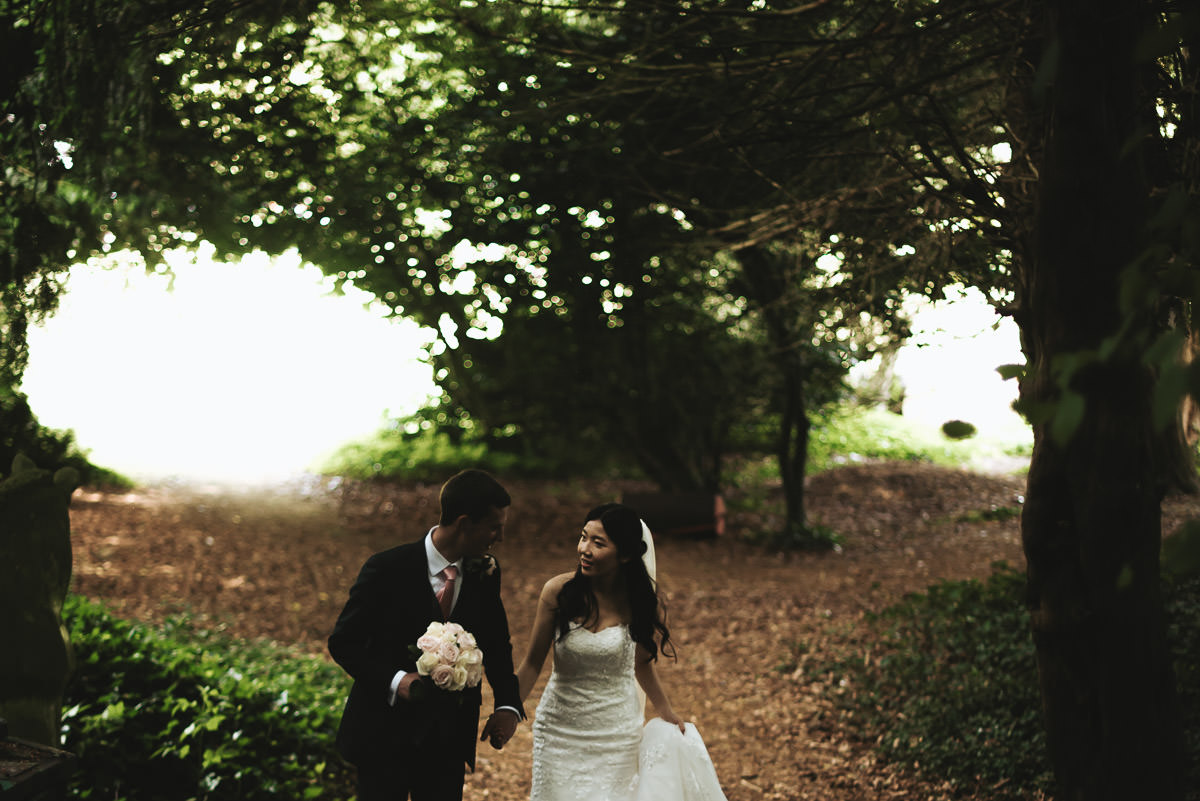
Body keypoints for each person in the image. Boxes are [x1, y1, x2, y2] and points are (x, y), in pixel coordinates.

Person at [328, 469, 525, 801]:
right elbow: (344, 642)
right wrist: (396, 680)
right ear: (464, 523)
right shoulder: (386, 568)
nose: (500, 537)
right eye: (494, 527)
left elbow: (495, 642)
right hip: (383, 734)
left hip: (448, 738)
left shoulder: (486, 571)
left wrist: (508, 704)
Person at [516, 502, 728, 801]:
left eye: (598, 543)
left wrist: (666, 712)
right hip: (559, 731)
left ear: (625, 555)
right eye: (583, 537)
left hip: (615, 734)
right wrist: (508, 709)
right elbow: (531, 663)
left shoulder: (640, 602)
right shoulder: (558, 592)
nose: (584, 549)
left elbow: (642, 664)